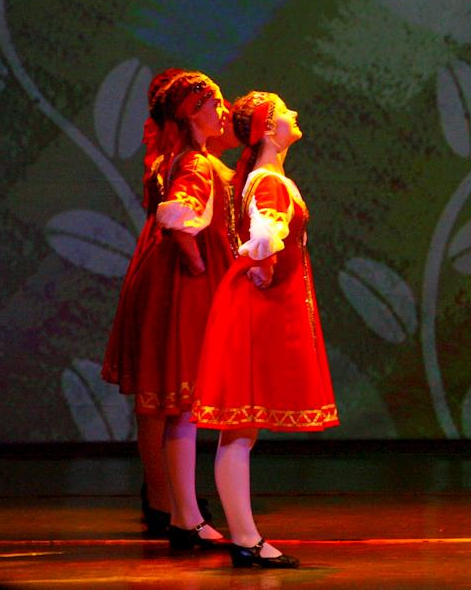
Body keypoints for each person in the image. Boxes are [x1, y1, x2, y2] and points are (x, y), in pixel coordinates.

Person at [193, 91, 339, 569]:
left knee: (242, 430)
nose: (294, 114)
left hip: (258, 308)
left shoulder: (266, 177)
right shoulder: (270, 181)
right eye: (283, 112)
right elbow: (264, 235)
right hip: (256, 312)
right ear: (270, 130)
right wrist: (264, 260)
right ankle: (245, 538)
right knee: (239, 430)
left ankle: (245, 536)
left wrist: (265, 260)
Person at [102, 71, 235, 548]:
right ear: (190, 112)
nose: (222, 110)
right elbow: (179, 217)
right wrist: (198, 264)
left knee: (170, 402)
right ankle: (170, 504)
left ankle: (175, 506)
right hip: (177, 280)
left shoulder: (179, 154)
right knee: (173, 399)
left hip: (162, 272)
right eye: (213, 103)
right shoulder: (191, 160)